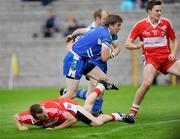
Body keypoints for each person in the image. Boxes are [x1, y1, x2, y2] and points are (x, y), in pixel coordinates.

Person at [125, 0, 180, 119]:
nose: (159, 13)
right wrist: (136, 46)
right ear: (149, 11)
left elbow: (175, 39)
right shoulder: (140, 25)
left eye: (160, 10)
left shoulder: (166, 22)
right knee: (147, 83)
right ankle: (132, 113)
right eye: (157, 10)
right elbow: (127, 43)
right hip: (151, 59)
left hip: (167, 58)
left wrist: (173, 53)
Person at [62, 9, 121, 116]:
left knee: (104, 81)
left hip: (83, 60)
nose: (119, 28)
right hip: (75, 60)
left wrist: (71, 36)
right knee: (71, 94)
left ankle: (90, 111)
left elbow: (79, 30)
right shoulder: (106, 36)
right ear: (111, 25)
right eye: (118, 25)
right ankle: (48, 110)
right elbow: (104, 58)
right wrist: (110, 54)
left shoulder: (98, 29)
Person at [14, 97, 134, 131]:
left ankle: (119, 115)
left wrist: (56, 128)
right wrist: (20, 127)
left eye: (45, 113)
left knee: (96, 122)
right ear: (34, 117)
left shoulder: (52, 110)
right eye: (43, 116)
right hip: (62, 107)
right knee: (87, 108)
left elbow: (71, 119)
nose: (46, 116)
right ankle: (99, 87)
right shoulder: (29, 117)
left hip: (68, 107)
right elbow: (16, 117)